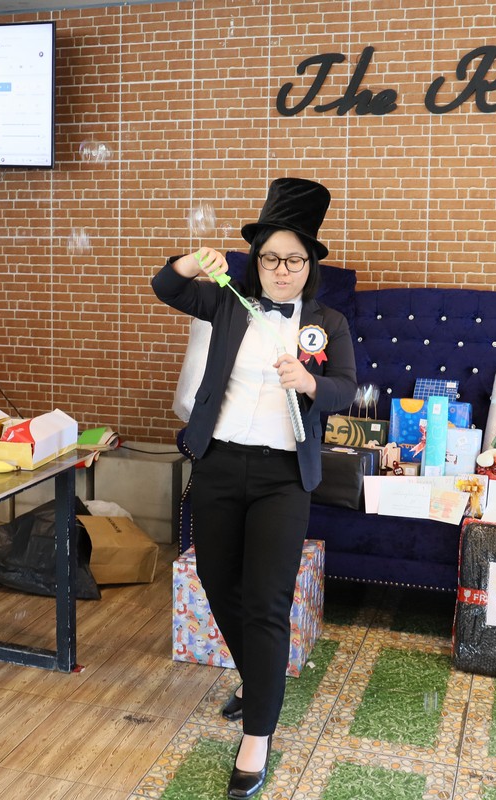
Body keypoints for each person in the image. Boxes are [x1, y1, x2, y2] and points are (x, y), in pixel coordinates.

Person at [152, 177, 356, 799]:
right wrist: (192, 261)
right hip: (217, 465)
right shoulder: (228, 302)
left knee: (266, 602)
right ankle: (260, 680)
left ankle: (258, 734)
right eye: (270, 258)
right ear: (256, 260)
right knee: (219, 583)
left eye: (294, 259)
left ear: (311, 264)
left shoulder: (327, 323)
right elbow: (166, 287)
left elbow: (346, 388)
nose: (281, 270)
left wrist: (311, 384)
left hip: (282, 479)